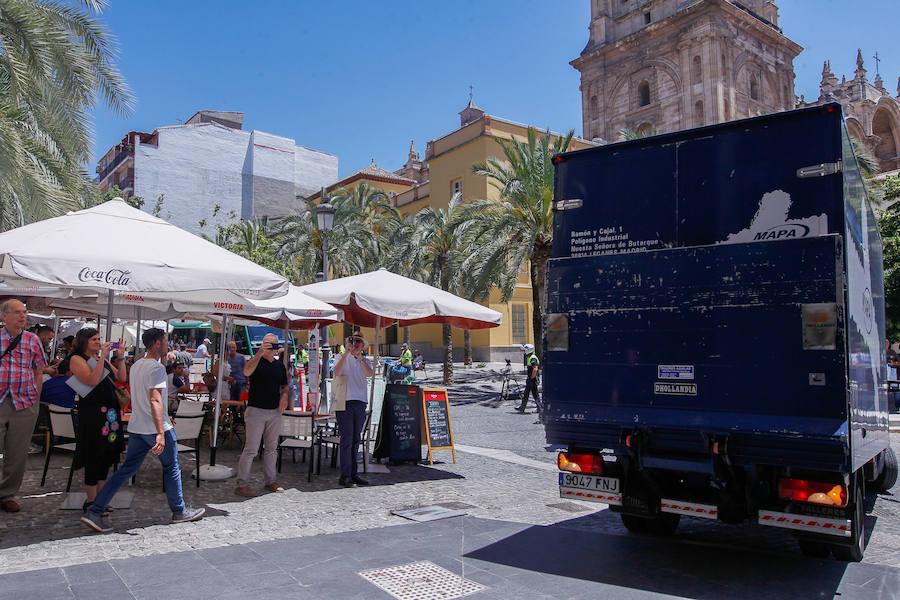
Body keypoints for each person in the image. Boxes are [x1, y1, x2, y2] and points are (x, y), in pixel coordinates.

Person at [81, 328, 204, 533]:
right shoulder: (156, 368)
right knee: (171, 467)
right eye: (165, 341)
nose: (168, 345)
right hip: (153, 427)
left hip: (137, 425)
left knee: (126, 470)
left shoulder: (137, 365)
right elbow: (155, 399)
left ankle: (96, 510)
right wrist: (160, 431)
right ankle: (179, 510)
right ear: (157, 343)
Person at [68, 328, 127, 512]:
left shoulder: (102, 359)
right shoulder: (77, 359)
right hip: (93, 414)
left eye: (98, 339)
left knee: (106, 455)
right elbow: (92, 380)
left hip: (110, 414)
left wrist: (121, 357)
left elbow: (122, 377)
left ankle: (101, 498)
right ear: (84, 341)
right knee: (93, 454)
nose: (97, 342)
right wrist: (102, 357)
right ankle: (91, 499)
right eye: (94, 339)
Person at [0, 299, 47, 513]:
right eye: (17, 312)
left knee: (17, 452)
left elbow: (39, 370)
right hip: (1, 398)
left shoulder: (32, 339)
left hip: (24, 400)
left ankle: (7, 494)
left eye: (24, 312)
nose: (22, 316)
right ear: (4, 316)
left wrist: (35, 398)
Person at [234, 333, 288, 497]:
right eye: (267, 344)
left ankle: (271, 481)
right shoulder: (256, 361)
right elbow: (246, 371)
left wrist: (285, 396)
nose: (270, 347)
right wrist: (258, 353)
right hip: (256, 410)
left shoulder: (279, 366)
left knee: (272, 448)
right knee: (251, 449)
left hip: (274, 411)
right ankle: (241, 484)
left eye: (273, 344)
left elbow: (285, 386)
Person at [334, 334, 374, 487]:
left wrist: (360, 358)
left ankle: (353, 473)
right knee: (347, 440)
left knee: (356, 439)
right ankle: (345, 475)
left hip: (359, 402)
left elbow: (369, 374)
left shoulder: (365, 360)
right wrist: (346, 354)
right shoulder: (340, 357)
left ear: (363, 345)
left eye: (359, 341)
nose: (355, 344)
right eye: (352, 341)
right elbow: (337, 373)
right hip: (344, 401)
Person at [516, 343, 543, 414]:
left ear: (528, 350)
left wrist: (531, 378)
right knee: (529, 394)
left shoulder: (533, 358)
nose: (524, 352)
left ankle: (539, 408)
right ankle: (523, 408)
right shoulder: (530, 357)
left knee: (533, 394)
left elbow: (535, 369)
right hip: (531, 379)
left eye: (525, 350)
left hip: (532, 379)